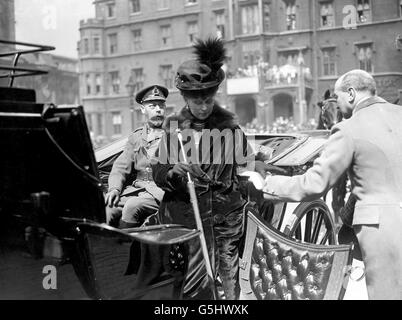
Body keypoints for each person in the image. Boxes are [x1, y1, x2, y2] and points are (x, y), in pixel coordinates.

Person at [247, 69, 402, 299]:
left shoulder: (348, 129)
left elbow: (315, 184)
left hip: (382, 233)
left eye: (337, 99)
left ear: (350, 94)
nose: (337, 107)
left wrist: (268, 184)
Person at [151, 38, 266, 300]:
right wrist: (172, 172)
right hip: (189, 219)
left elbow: (247, 163)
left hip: (225, 219)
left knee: (228, 282)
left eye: (208, 100)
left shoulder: (230, 129)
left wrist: (254, 173)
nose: (203, 107)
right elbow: (159, 172)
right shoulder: (173, 129)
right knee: (193, 287)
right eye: (196, 101)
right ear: (186, 98)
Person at [105, 85, 168, 229]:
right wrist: (114, 189)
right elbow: (121, 166)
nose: (158, 110)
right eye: (153, 106)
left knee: (132, 207)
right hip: (137, 188)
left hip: (161, 191)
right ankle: (104, 250)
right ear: (143, 110)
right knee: (108, 207)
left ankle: (129, 250)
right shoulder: (136, 136)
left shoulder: (173, 134)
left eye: (161, 106)